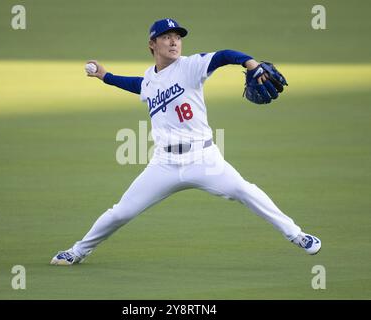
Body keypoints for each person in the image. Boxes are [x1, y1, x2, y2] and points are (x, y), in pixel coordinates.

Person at [50, 18, 321, 265]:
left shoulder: (191, 66)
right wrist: (104, 76)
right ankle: (77, 251)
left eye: (177, 37)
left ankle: (297, 235)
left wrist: (250, 63)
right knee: (121, 212)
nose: (174, 41)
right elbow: (136, 85)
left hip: (203, 158)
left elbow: (224, 56)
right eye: (166, 36)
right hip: (164, 163)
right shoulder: (149, 79)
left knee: (244, 190)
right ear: (152, 44)